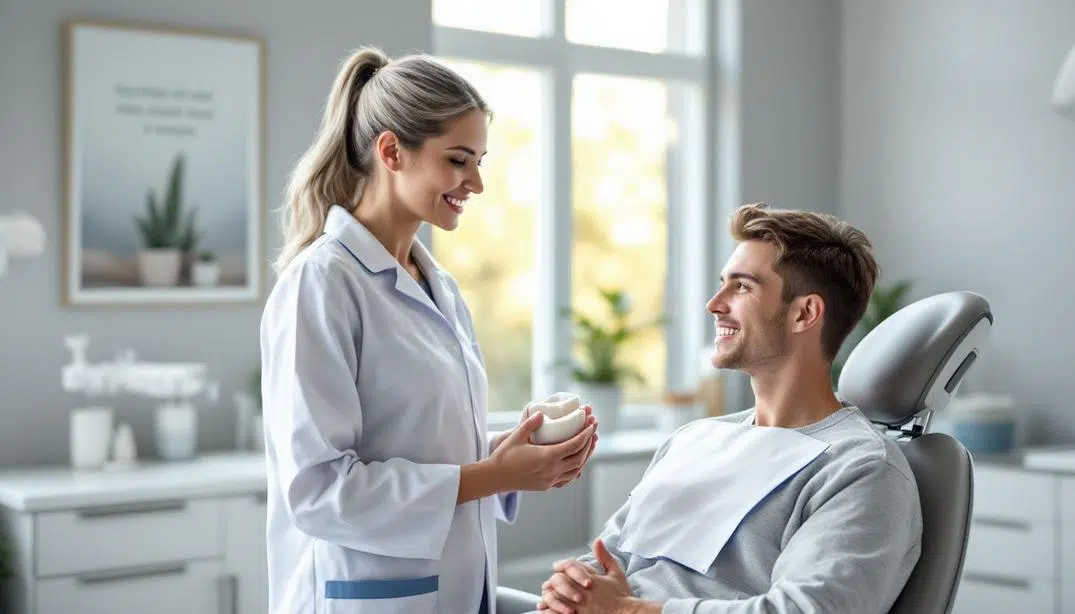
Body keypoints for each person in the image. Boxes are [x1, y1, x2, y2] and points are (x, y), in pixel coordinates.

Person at [259, 47, 598, 614]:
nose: (477, 183)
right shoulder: (321, 284)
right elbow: (319, 491)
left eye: (480, 160)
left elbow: (421, 446)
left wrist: (516, 458)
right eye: (459, 160)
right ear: (392, 151)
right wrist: (491, 474)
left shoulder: (437, 285)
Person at [536, 203, 922, 614]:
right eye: (723, 283)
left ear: (804, 313)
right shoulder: (694, 440)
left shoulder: (861, 469)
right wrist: (573, 586)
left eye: (742, 287)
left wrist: (628, 611)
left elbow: (806, 610)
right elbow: (608, 559)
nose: (714, 304)